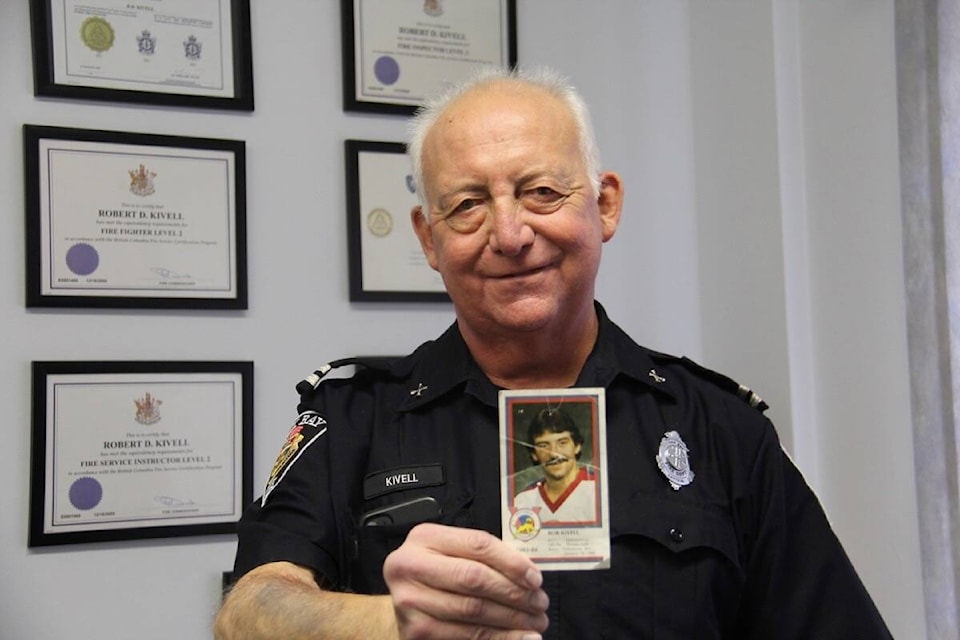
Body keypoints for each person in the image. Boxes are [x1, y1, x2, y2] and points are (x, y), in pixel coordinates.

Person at [215, 66, 892, 639]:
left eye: (541, 192)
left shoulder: (719, 428)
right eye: (468, 205)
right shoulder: (354, 417)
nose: (509, 235)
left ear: (604, 206)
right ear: (429, 238)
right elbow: (247, 610)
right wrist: (391, 622)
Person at [513, 407, 598, 524]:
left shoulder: (599, 490)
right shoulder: (522, 501)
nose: (553, 453)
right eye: (543, 445)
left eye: (562, 443)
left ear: (577, 446)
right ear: (534, 454)